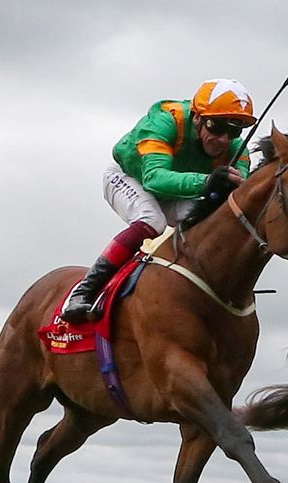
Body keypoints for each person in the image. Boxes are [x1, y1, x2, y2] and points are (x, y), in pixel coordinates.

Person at [61, 78, 257, 323]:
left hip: (176, 192)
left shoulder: (238, 150)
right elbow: (153, 179)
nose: (224, 139)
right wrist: (207, 182)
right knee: (153, 220)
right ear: (197, 118)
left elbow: (239, 196)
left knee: (211, 223)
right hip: (129, 178)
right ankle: (85, 290)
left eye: (234, 130)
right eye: (217, 127)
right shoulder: (165, 121)